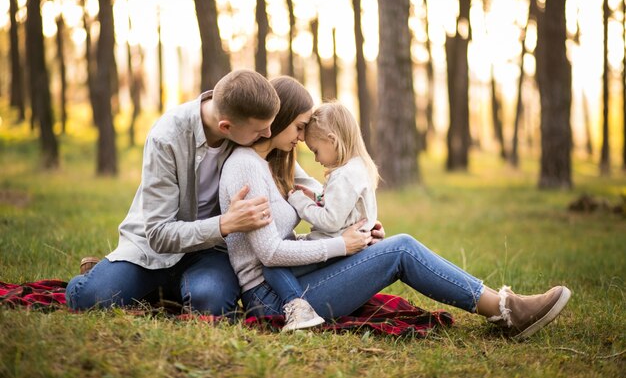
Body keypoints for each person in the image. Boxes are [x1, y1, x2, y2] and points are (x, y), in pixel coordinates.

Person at [220, 76, 571, 340]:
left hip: (295, 278)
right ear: (276, 120)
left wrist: (361, 228)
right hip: (273, 299)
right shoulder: (246, 166)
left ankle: (503, 306)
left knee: (394, 244)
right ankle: (506, 311)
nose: (301, 136)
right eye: (298, 127)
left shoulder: (278, 162)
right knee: (401, 249)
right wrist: (343, 245)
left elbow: (322, 202)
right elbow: (268, 252)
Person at [66, 69, 283, 315]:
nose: (267, 134)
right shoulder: (167, 137)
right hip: (150, 250)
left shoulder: (247, 124)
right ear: (225, 126)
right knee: (89, 300)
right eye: (260, 131)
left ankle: (163, 290)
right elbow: (158, 234)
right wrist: (225, 224)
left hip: (209, 251)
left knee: (211, 306)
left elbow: (293, 172)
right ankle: (107, 276)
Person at [261, 102, 379, 331]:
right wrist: (316, 198)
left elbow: (330, 220)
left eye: (315, 150)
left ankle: (298, 306)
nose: (316, 159)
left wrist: (299, 202)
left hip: (336, 246)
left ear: (332, 140)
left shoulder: (343, 175)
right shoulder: (357, 168)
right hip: (344, 242)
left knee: (272, 266)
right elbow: (341, 208)